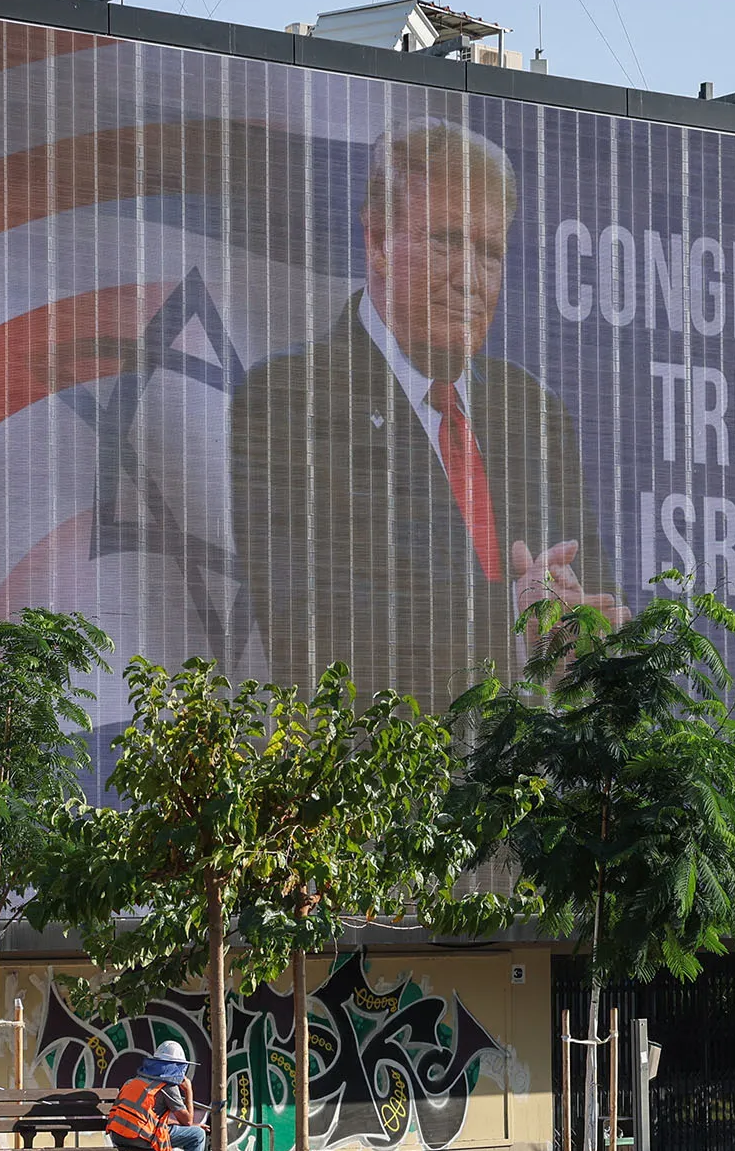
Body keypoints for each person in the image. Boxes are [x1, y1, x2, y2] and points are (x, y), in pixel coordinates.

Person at [231, 118, 623, 709]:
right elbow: (311, 628)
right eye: (445, 240)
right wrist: (517, 628)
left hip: (537, 786)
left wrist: (583, 628)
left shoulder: (534, 413)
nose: (469, 278)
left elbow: (599, 598)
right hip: (384, 784)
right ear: (379, 241)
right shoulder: (289, 399)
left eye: (489, 252)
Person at [104, 1040, 207, 1151]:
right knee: (198, 1135)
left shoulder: (135, 1081)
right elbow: (187, 1121)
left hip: (118, 1135)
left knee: (164, 1133)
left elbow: (148, 1117)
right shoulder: (167, 1086)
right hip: (138, 1136)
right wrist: (188, 1091)